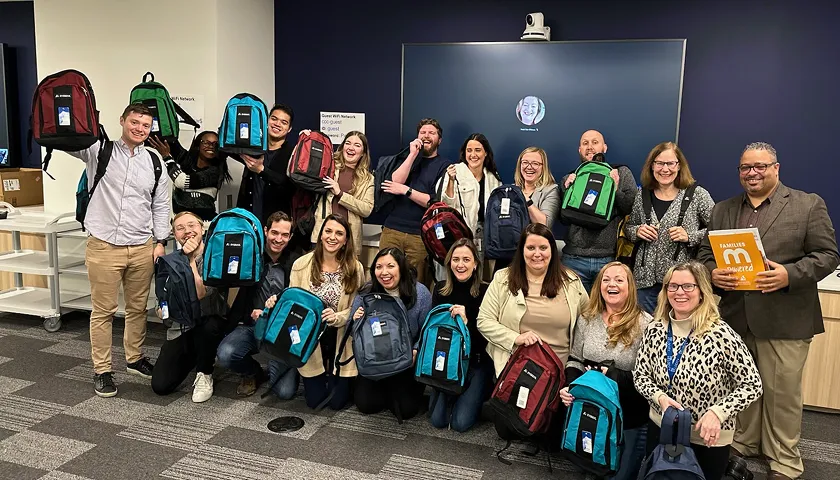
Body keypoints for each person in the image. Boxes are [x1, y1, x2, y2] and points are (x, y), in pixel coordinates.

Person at [698, 142, 839, 480]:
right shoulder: (723, 209)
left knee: (782, 393)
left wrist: (787, 275)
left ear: (776, 168)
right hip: (736, 317)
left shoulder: (807, 204)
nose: (753, 173)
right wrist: (712, 274)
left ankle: (785, 461)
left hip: (785, 317)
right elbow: (705, 254)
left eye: (761, 166)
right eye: (746, 167)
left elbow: (827, 255)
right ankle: (745, 442)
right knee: (741, 386)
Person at [69, 102, 171, 398]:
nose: (140, 129)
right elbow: (68, 143)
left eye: (145, 125)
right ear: (122, 120)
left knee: (138, 308)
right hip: (104, 246)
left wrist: (160, 241)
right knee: (103, 311)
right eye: (134, 122)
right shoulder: (98, 151)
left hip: (141, 246)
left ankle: (135, 358)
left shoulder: (154, 161)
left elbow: (161, 204)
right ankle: (102, 370)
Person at [633, 262, 763, 480]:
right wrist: (660, 398)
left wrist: (718, 413)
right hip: (663, 427)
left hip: (707, 436)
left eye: (688, 286)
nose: (679, 292)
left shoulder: (721, 334)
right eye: (672, 286)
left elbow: (752, 384)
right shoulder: (655, 329)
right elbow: (640, 375)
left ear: (702, 292)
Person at [477, 222, 588, 440]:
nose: (537, 254)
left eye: (543, 248)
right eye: (531, 248)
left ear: (552, 251)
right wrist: (515, 338)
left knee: (551, 439)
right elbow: (484, 320)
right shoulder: (502, 279)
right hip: (518, 367)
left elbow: (587, 319)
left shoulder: (572, 282)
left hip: (559, 371)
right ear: (522, 250)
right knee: (509, 431)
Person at [559, 261, 651, 480]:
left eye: (619, 280)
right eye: (606, 279)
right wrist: (570, 387)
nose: (612, 284)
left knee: (619, 476)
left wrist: (612, 376)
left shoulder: (646, 324)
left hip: (629, 413)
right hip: (592, 407)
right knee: (590, 467)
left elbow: (648, 377)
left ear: (630, 287)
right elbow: (575, 360)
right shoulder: (586, 318)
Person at [274, 213, 365, 409]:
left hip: (340, 336)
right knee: (314, 401)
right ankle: (312, 374)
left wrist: (338, 316)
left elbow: (359, 308)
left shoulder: (355, 268)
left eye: (339, 233)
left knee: (337, 403)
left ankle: (341, 379)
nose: (333, 237)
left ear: (346, 240)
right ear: (321, 234)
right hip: (310, 337)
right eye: (328, 231)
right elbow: (292, 304)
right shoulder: (301, 264)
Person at [215, 211, 299, 398]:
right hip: (251, 325)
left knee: (285, 393)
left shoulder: (297, 262)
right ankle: (253, 373)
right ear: (265, 230)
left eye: (285, 235)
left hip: (280, 332)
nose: (279, 239)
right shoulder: (250, 256)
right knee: (226, 353)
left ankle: (277, 364)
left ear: (290, 237)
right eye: (274, 233)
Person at [625, 142, 714, 313]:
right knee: (646, 332)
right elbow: (629, 227)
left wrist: (690, 236)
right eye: (659, 163)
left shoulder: (697, 194)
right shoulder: (642, 195)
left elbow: (717, 231)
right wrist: (637, 231)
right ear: (652, 166)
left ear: (679, 166)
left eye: (670, 163)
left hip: (682, 285)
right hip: (645, 282)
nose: (665, 169)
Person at [151, 212, 229, 402]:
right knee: (161, 385)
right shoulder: (169, 261)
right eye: (180, 228)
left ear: (202, 228)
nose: (187, 231)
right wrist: (162, 309)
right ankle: (195, 355)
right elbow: (160, 298)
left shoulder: (215, 258)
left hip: (208, 322)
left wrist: (191, 261)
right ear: (175, 234)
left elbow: (201, 293)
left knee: (209, 326)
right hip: (181, 327)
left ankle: (205, 371)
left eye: (192, 225)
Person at [351, 247, 433, 421]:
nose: (384, 272)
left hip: (405, 361)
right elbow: (351, 332)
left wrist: (416, 350)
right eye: (379, 267)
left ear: (401, 267)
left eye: (390, 266)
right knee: (366, 405)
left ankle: (396, 389)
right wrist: (356, 321)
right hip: (374, 359)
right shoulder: (365, 293)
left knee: (406, 410)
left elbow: (427, 330)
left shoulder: (420, 293)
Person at [561, 130, 637, 293]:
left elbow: (630, 208)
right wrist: (568, 190)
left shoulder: (621, 173)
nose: (590, 147)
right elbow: (563, 218)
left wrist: (615, 188)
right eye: (585, 143)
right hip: (573, 259)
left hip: (608, 260)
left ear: (604, 147)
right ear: (579, 149)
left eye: (595, 142)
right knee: (573, 315)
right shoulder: (571, 177)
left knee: (608, 314)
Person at [379, 118, 452, 286]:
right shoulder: (406, 157)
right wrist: (412, 155)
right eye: (423, 133)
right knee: (384, 279)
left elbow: (434, 201)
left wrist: (407, 190)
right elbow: (394, 182)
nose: (426, 136)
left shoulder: (444, 165)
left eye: (431, 133)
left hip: (419, 235)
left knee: (415, 284)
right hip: (392, 230)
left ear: (439, 140)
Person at [428, 239, 491, 432]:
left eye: (466, 259)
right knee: (437, 421)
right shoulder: (440, 289)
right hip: (447, 361)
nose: (460, 265)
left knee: (460, 423)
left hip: (476, 362)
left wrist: (466, 323)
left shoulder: (485, 291)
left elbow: (486, 340)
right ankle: (450, 393)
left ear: (475, 264)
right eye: (455, 259)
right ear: (449, 263)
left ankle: (472, 392)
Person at [307, 130, 374, 257]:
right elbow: (302, 170)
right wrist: (308, 138)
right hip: (322, 235)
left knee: (348, 276)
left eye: (357, 145)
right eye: (348, 143)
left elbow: (367, 209)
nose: (351, 147)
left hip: (349, 240)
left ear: (363, 154)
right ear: (342, 147)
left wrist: (340, 194)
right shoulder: (328, 166)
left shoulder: (368, 179)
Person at [439, 133, 503, 259]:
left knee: (477, 272)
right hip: (457, 233)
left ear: (485, 153)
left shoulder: (493, 177)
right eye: (469, 150)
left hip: (484, 236)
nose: (473, 155)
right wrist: (451, 181)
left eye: (478, 150)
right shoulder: (454, 171)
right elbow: (446, 205)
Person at [149, 131, 232, 222]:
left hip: (203, 225)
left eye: (215, 144)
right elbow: (171, 140)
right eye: (206, 142)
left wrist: (166, 157)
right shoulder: (188, 160)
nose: (211, 146)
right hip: (181, 222)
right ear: (198, 144)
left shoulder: (215, 171)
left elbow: (182, 182)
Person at [236, 104, 296, 226]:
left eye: (284, 122)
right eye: (274, 119)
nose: (277, 124)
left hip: (276, 223)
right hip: (247, 218)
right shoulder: (253, 147)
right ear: (267, 121)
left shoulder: (293, 153)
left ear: (289, 129)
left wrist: (261, 170)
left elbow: (290, 186)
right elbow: (225, 148)